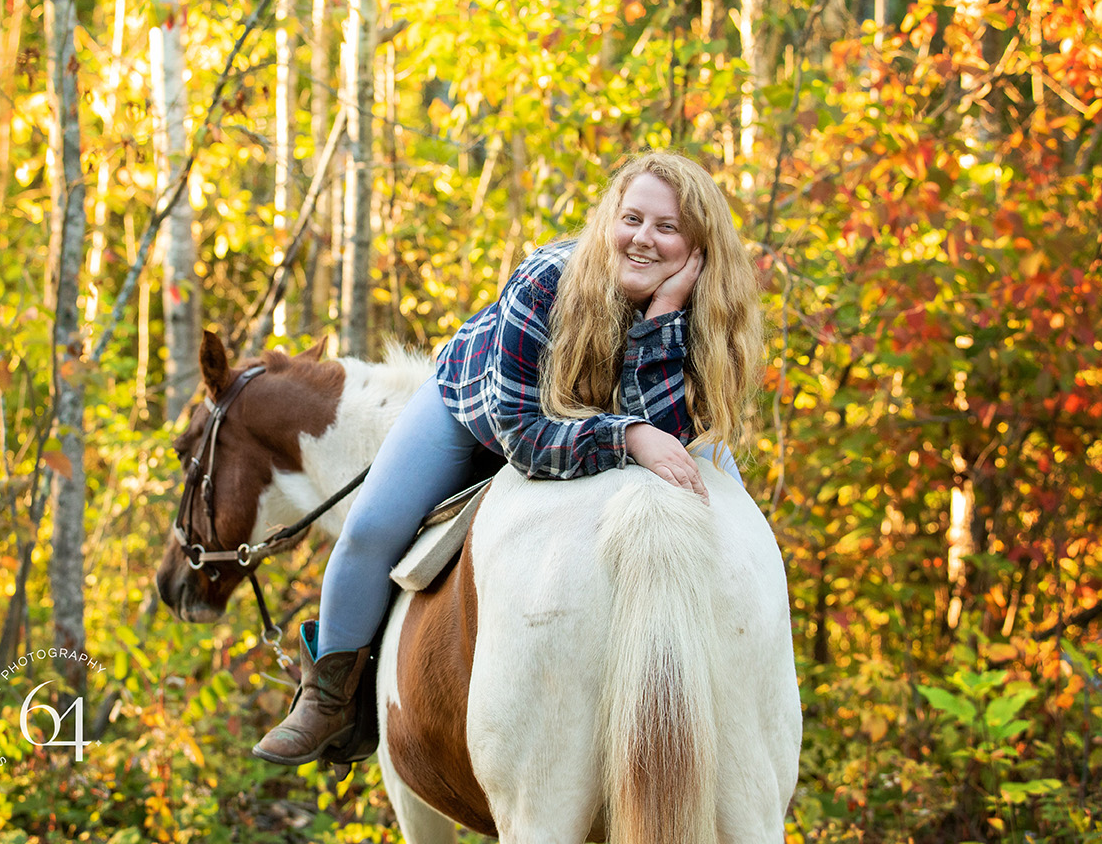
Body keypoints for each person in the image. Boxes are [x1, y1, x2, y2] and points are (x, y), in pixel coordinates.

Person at [252, 150, 765, 765]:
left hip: (603, 420)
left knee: (737, 519)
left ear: (700, 246)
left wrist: (661, 323)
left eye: (668, 228)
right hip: (484, 414)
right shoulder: (547, 279)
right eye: (632, 219)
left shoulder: (712, 308)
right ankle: (327, 700)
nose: (643, 240)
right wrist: (626, 436)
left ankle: (752, 688)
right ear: (609, 219)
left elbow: (670, 441)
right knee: (371, 528)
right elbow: (522, 436)